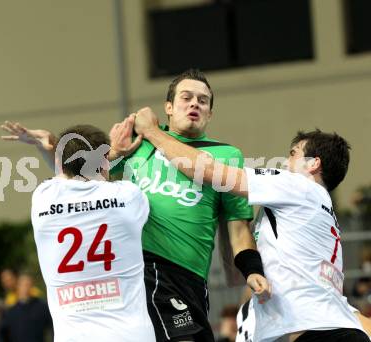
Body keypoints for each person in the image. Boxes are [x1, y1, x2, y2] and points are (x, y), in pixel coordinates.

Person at [0, 69, 270, 342]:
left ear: (210, 113)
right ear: (168, 107)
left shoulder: (225, 155)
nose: (194, 104)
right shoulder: (137, 145)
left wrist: (252, 269)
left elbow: (238, 228)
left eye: (203, 100)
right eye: (186, 98)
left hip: (189, 279)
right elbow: (79, 180)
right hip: (141, 269)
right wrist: (54, 147)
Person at [133, 107, 369, 341]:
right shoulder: (322, 209)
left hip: (323, 334)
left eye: (293, 154)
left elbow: (209, 171)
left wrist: (152, 132)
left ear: (313, 164)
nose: (286, 162)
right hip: (333, 327)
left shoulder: (297, 185)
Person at [29, 125, 155, 341]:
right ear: (105, 159)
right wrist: (118, 152)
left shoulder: (43, 198)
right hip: (131, 335)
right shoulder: (128, 195)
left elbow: (63, 176)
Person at [0, 274, 52, 342]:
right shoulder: (11, 312)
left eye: (28, 285)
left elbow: (53, 327)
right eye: (23, 285)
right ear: (18, 287)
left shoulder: (42, 307)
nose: (26, 288)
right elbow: (3, 334)